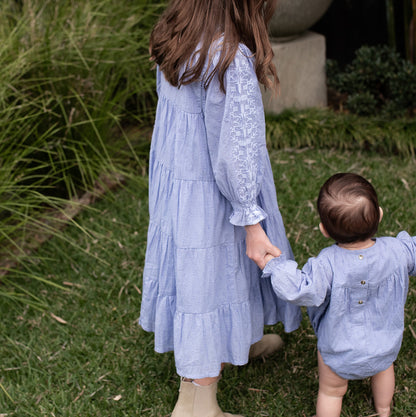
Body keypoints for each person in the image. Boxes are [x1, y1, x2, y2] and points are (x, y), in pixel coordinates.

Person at [138, 0, 302, 415]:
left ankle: (235, 336)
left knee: (215, 273)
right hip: (214, 195)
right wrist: (251, 219)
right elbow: (236, 151)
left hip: (182, 188)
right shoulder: (230, 58)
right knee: (208, 278)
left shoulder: (176, 34)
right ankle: (196, 402)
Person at [263, 173, 415, 417]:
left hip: (339, 351)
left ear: (324, 230)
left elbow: (299, 289)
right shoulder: (399, 250)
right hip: (384, 346)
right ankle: (384, 410)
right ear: (381, 215)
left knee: (331, 391)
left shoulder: (326, 264)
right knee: (384, 371)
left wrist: (274, 266)